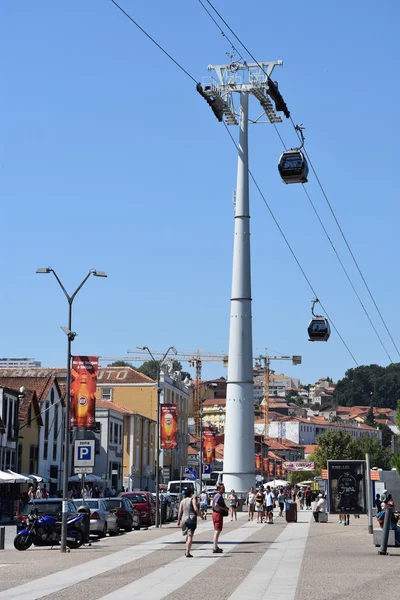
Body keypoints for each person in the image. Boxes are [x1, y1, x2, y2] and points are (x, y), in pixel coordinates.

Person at [177, 488, 199, 558]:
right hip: (191, 519)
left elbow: (180, 512)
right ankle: (187, 552)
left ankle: (187, 550)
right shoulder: (192, 500)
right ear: (191, 494)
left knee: (187, 535)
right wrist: (200, 515)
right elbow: (195, 508)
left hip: (184, 519)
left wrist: (178, 521)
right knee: (190, 536)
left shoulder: (182, 501)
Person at [212, 483, 228, 553]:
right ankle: (215, 547)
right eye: (223, 488)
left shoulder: (217, 495)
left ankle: (215, 546)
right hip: (218, 514)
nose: (224, 489)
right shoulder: (219, 496)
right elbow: (216, 505)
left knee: (217, 530)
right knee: (217, 531)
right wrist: (224, 508)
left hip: (215, 514)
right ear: (219, 489)